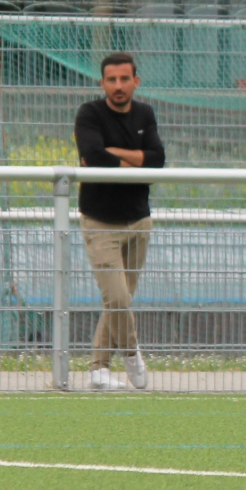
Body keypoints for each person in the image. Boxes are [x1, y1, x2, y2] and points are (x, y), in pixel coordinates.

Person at [74, 51, 166, 390]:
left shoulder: (145, 113)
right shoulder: (89, 113)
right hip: (100, 221)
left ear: (135, 82)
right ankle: (130, 352)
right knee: (117, 299)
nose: (118, 86)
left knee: (119, 299)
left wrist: (116, 155)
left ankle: (98, 369)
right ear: (102, 83)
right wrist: (137, 163)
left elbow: (157, 159)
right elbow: (92, 155)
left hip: (139, 220)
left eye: (124, 79)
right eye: (111, 80)